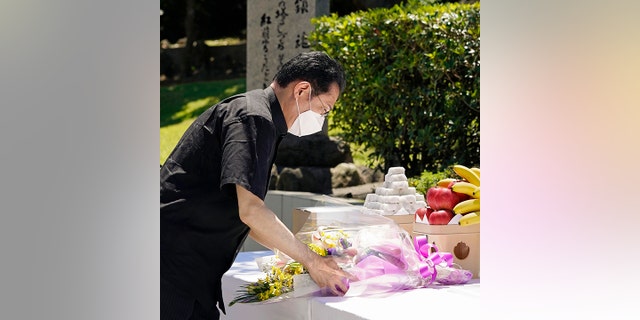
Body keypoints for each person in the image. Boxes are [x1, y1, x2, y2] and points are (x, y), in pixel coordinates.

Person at [160, 51, 356, 320]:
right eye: (324, 109)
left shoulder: (260, 118)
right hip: (170, 268)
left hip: (188, 269)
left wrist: (296, 256)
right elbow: (251, 211)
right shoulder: (254, 118)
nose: (321, 119)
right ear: (302, 90)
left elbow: (250, 218)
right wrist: (313, 261)